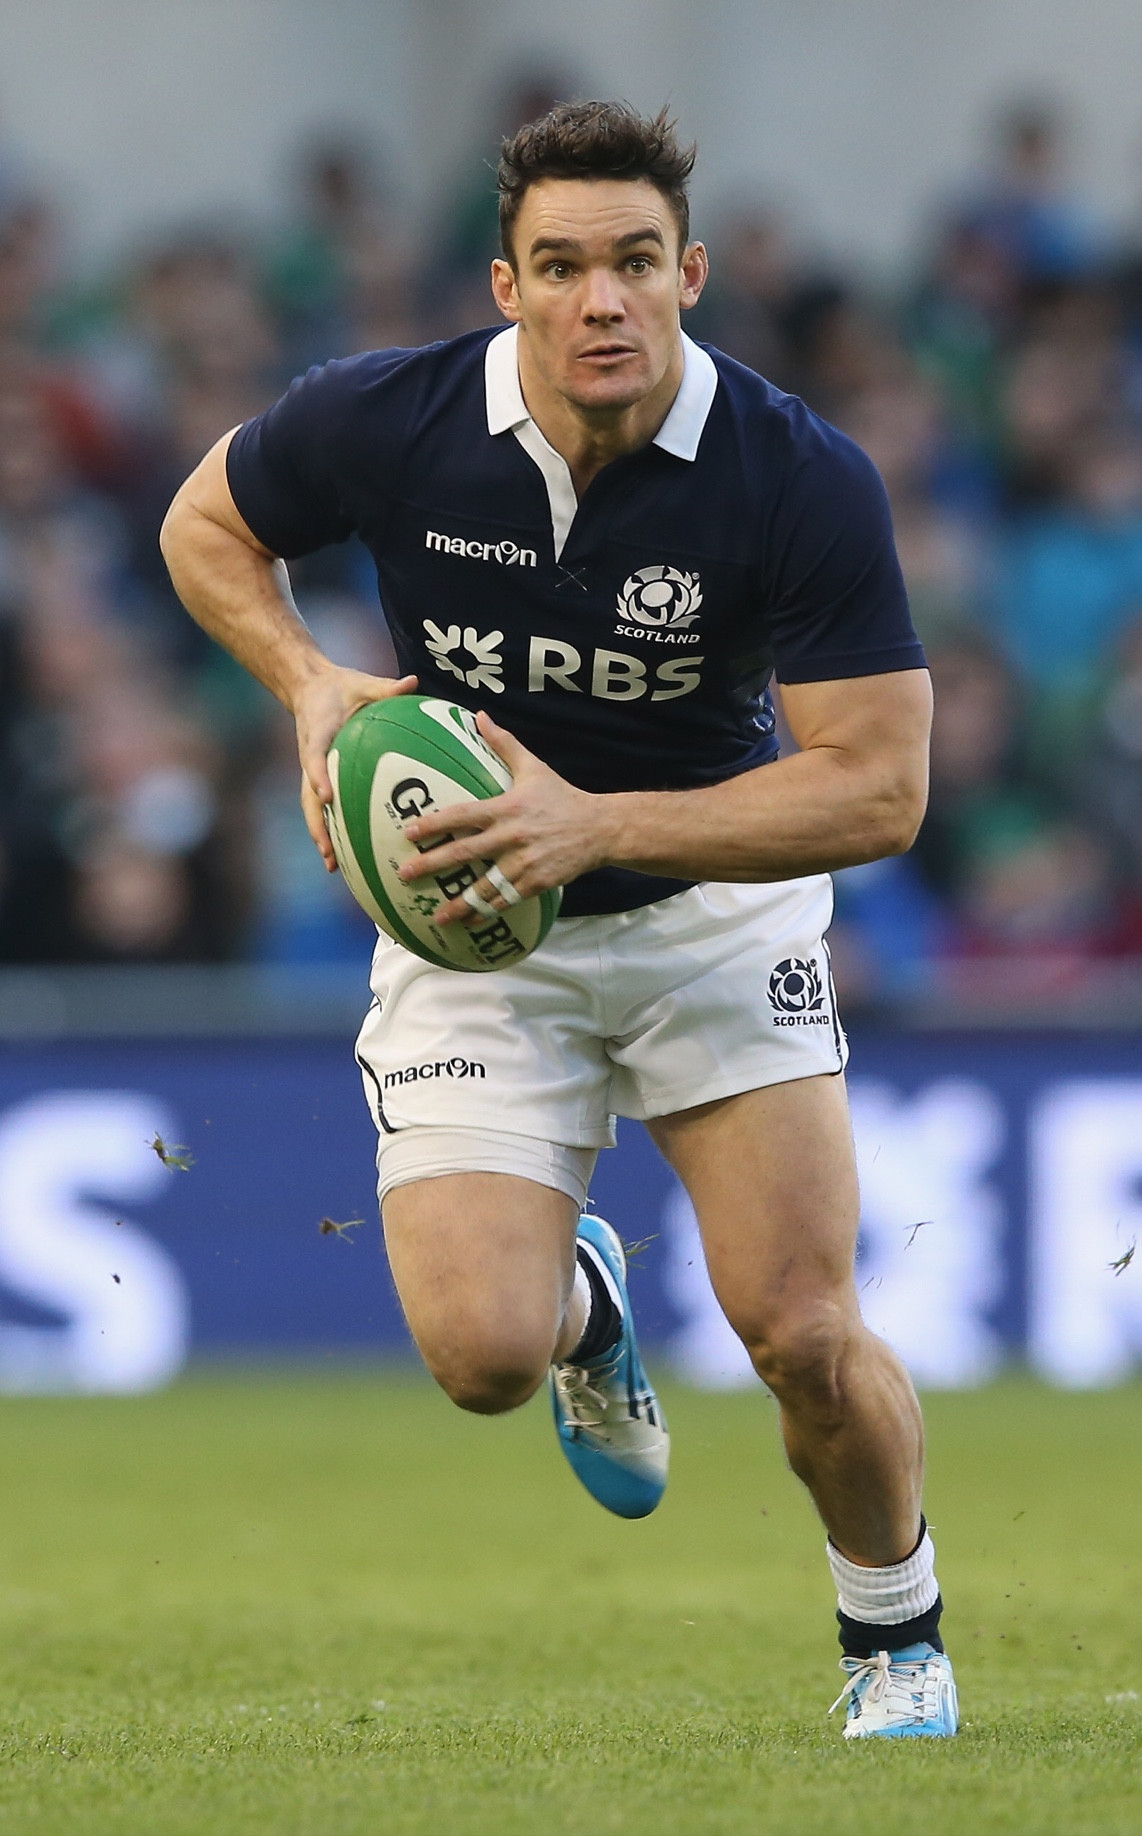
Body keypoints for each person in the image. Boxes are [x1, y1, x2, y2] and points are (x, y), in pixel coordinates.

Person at [160, 100, 953, 1740]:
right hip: (472, 926)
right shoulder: (391, 418)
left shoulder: (797, 475)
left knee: (804, 1334)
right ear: (507, 285)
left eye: (638, 263)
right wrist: (309, 681)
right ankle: (582, 1303)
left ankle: (898, 1640)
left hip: (710, 918)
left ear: (691, 275)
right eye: (566, 265)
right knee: (483, 1361)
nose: (605, 300)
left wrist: (598, 823)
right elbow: (204, 526)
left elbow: (880, 791)